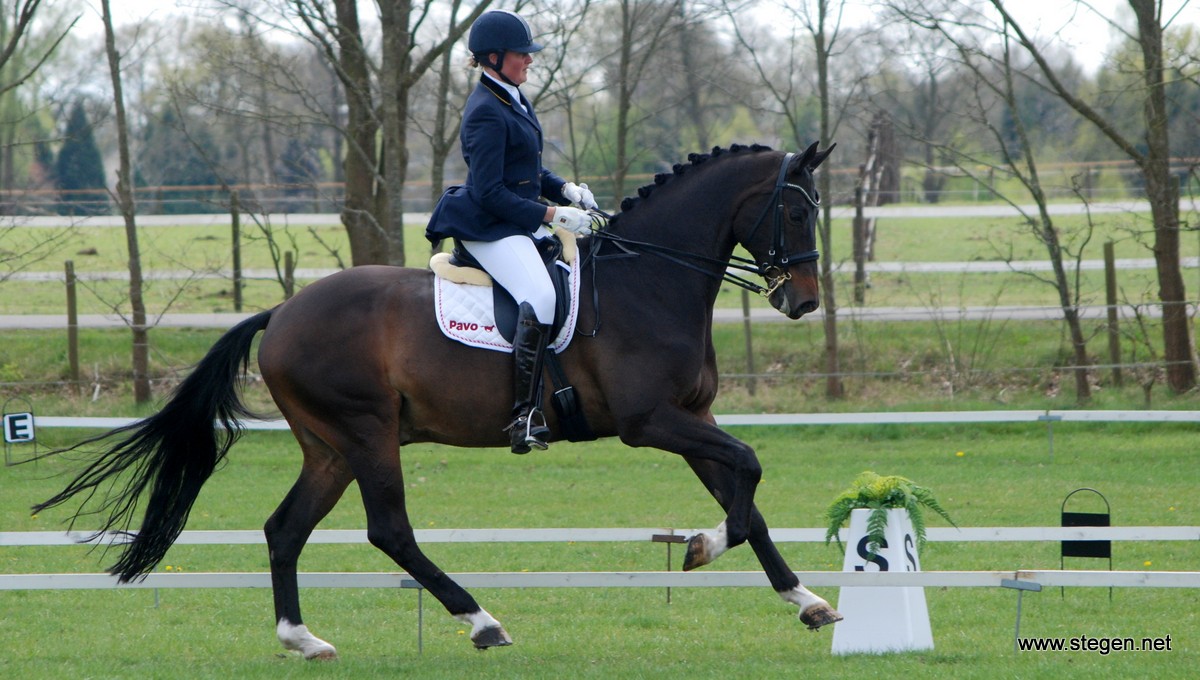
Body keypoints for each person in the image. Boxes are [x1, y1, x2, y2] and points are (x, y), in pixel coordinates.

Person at [426, 9, 598, 455]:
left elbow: (526, 167)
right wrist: (552, 216)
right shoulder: (484, 111)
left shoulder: (512, 97)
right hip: (489, 226)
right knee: (540, 296)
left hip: (513, 219)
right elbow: (489, 192)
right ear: (494, 57)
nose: (530, 60)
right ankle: (524, 414)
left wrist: (564, 189)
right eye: (523, 54)